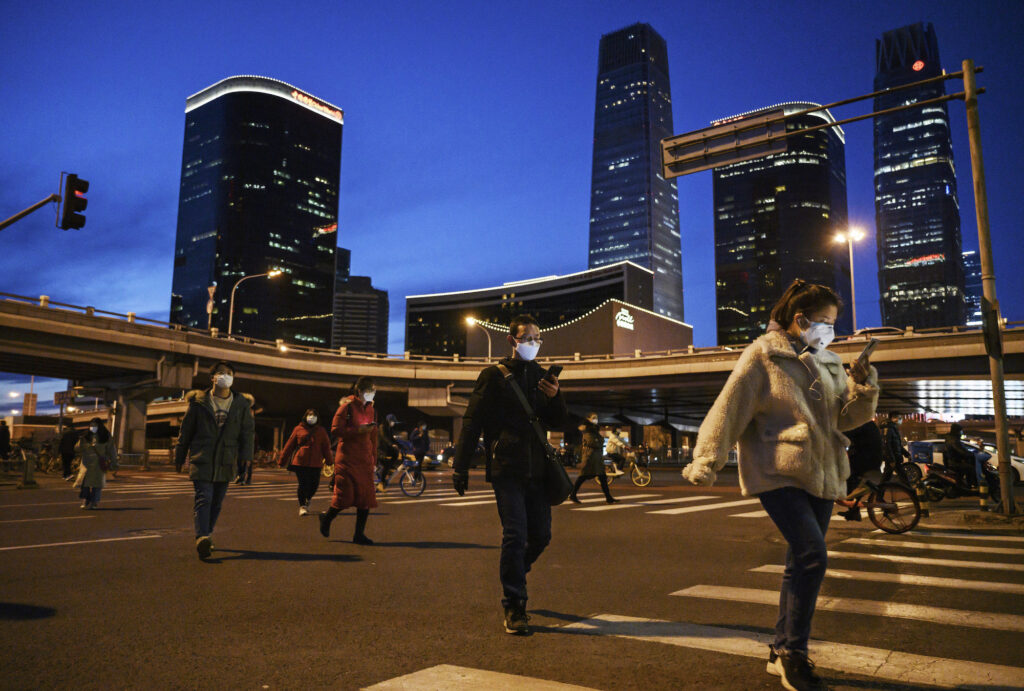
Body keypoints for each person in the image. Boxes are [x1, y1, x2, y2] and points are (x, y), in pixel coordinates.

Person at [682, 279, 878, 691]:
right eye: (823, 322)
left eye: (833, 324)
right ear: (799, 319)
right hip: (777, 468)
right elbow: (729, 407)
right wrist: (707, 459)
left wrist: (862, 385)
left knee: (799, 561)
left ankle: (779, 649)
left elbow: (846, 418)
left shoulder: (826, 360)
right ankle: (794, 655)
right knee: (812, 554)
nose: (830, 331)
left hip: (822, 470)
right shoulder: (763, 355)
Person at [451, 314, 567, 635]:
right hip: (507, 470)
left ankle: (516, 571)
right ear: (512, 340)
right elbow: (472, 422)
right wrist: (460, 466)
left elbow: (558, 422)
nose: (533, 343)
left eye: (537, 338)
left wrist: (555, 397)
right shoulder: (493, 377)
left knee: (541, 536)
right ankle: (514, 605)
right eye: (527, 337)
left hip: (538, 472)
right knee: (515, 535)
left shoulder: (544, 377)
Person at [175, 361, 255, 560]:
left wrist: (246, 458)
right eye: (220, 373)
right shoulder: (199, 403)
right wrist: (179, 455)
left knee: (217, 502)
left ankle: (207, 533)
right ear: (212, 378)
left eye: (229, 373)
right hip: (202, 457)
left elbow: (247, 433)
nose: (224, 376)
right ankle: (202, 536)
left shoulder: (240, 404)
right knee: (204, 497)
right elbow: (185, 432)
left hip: (226, 459)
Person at [319, 377, 379, 545]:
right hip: (347, 459)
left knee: (365, 498)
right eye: (369, 391)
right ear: (359, 391)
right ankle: (326, 518)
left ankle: (359, 535)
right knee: (345, 496)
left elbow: (373, 436)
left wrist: (374, 457)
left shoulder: (371, 410)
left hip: (364, 459)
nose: (371, 394)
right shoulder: (347, 407)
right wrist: (357, 430)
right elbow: (336, 430)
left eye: (373, 391)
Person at [278, 408, 332, 516]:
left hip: (316, 463)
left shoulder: (321, 431)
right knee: (303, 484)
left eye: (313, 415)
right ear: (305, 417)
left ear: (317, 418)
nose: (311, 417)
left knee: (314, 484)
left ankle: (308, 498)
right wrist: (282, 460)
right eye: (309, 415)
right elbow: (289, 445)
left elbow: (326, 447)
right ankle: (302, 506)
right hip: (300, 462)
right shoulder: (298, 429)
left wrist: (329, 461)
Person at [837, 419, 883, 521]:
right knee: (854, 477)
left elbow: (846, 435)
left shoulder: (861, 423)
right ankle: (853, 510)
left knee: (848, 475)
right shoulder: (868, 423)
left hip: (867, 458)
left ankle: (853, 510)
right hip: (873, 458)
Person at [570, 413, 616, 504]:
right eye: (593, 418)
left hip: (596, 457)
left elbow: (598, 441)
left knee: (602, 477)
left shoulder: (594, 430)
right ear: (589, 419)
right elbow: (593, 442)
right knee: (583, 476)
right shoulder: (588, 430)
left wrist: (599, 441)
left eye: (596, 418)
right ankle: (572, 494)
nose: (596, 419)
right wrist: (599, 441)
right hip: (590, 457)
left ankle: (609, 497)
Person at [74, 418, 116, 509]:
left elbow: (111, 450)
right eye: (91, 425)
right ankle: (85, 500)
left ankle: (94, 502)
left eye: (95, 425)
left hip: (99, 463)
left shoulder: (106, 436)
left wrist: (114, 462)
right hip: (87, 463)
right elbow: (77, 449)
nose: (93, 427)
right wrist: (80, 441)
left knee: (97, 485)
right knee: (85, 484)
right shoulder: (86, 435)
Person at [879, 412, 912, 485]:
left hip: (895, 458)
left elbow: (897, 445)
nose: (901, 420)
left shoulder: (893, 429)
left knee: (886, 478)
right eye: (899, 418)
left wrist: (907, 454)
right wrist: (891, 459)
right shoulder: (888, 429)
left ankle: (878, 494)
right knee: (903, 477)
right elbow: (886, 445)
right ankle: (912, 493)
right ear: (893, 418)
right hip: (893, 459)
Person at [376, 413, 402, 491]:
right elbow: (384, 437)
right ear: (389, 421)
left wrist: (400, 445)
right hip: (381, 450)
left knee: (395, 454)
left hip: (387, 449)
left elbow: (392, 439)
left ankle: (389, 469)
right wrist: (392, 445)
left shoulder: (389, 428)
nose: (393, 423)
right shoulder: (382, 427)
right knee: (386, 466)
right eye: (393, 422)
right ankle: (381, 484)